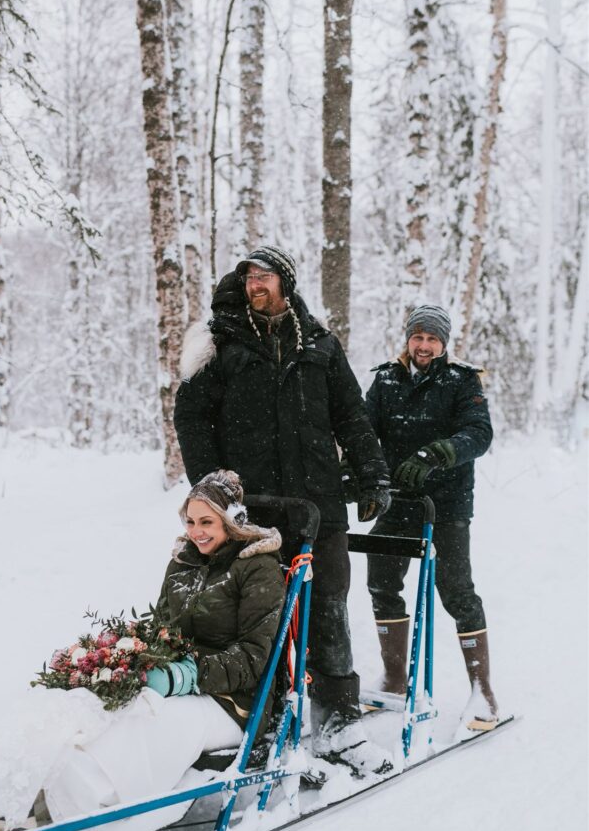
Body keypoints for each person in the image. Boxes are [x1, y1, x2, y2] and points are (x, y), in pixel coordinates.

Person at [0, 471, 285, 831]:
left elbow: (254, 658)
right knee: (87, 705)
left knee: (143, 719)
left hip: (230, 701)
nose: (196, 532)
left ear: (231, 521)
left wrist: (188, 675)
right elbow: (161, 626)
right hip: (176, 677)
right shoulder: (184, 563)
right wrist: (127, 655)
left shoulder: (257, 567)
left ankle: (54, 806)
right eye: (190, 521)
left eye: (207, 522)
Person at [174, 245, 392, 761]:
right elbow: (192, 420)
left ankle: (339, 724)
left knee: (330, 609)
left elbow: (352, 417)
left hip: (319, 506)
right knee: (254, 616)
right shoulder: (218, 344)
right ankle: (263, 724)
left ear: (285, 283)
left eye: (265, 276)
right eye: (249, 275)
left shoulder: (319, 343)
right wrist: (213, 490)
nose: (255, 284)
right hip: (251, 513)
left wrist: (373, 475)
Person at [365, 305, 499, 730]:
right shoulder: (386, 379)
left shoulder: (462, 380)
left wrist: (436, 453)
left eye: (432, 339)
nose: (424, 346)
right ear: (408, 338)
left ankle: (483, 690)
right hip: (398, 502)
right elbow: (365, 432)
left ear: (444, 343)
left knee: (456, 591)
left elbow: (479, 434)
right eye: (417, 337)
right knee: (381, 581)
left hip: (447, 506)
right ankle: (393, 677)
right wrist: (361, 475)